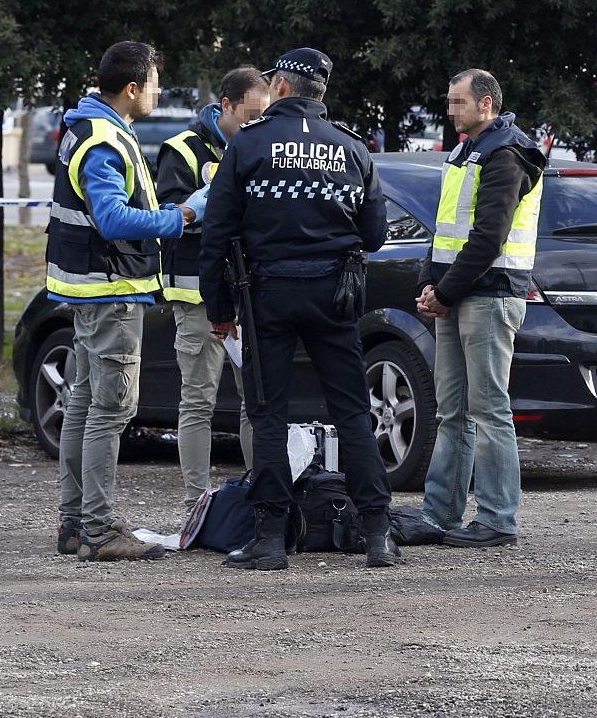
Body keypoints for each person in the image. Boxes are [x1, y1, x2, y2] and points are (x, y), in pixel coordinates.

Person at [199, 47, 400, 570]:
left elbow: (216, 232)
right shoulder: (352, 148)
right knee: (353, 411)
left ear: (281, 88)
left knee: (268, 414)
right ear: (320, 92)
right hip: (335, 294)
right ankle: (377, 531)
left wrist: (218, 308)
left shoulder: (248, 144)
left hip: (267, 294)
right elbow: (376, 234)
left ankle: (269, 539)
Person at [47, 41, 194, 562]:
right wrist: (183, 218)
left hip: (93, 291)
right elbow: (111, 219)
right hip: (111, 292)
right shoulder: (106, 140)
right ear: (132, 89)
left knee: (84, 408)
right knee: (109, 411)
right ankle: (101, 530)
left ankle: (75, 524)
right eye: (155, 83)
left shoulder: (88, 127)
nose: (159, 91)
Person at [415, 70, 546, 548]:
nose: (449, 111)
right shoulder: (467, 149)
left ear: (486, 104)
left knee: (488, 410)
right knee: (453, 411)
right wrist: (431, 283)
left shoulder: (506, 153)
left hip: (490, 294)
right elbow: (445, 228)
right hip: (461, 294)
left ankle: (496, 520)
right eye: (449, 102)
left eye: (458, 103)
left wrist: (442, 292)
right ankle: (440, 514)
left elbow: (489, 237)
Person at [156, 66, 268, 513]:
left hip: (246, 294)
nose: (255, 124)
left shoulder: (259, 145)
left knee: (255, 401)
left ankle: (263, 496)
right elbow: (168, 216)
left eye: (264, 115)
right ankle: (195, 503)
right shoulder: (183, 149)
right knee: (198, 400)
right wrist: (208, 201)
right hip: (197, 296)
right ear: (225, 105)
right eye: (249, 114)